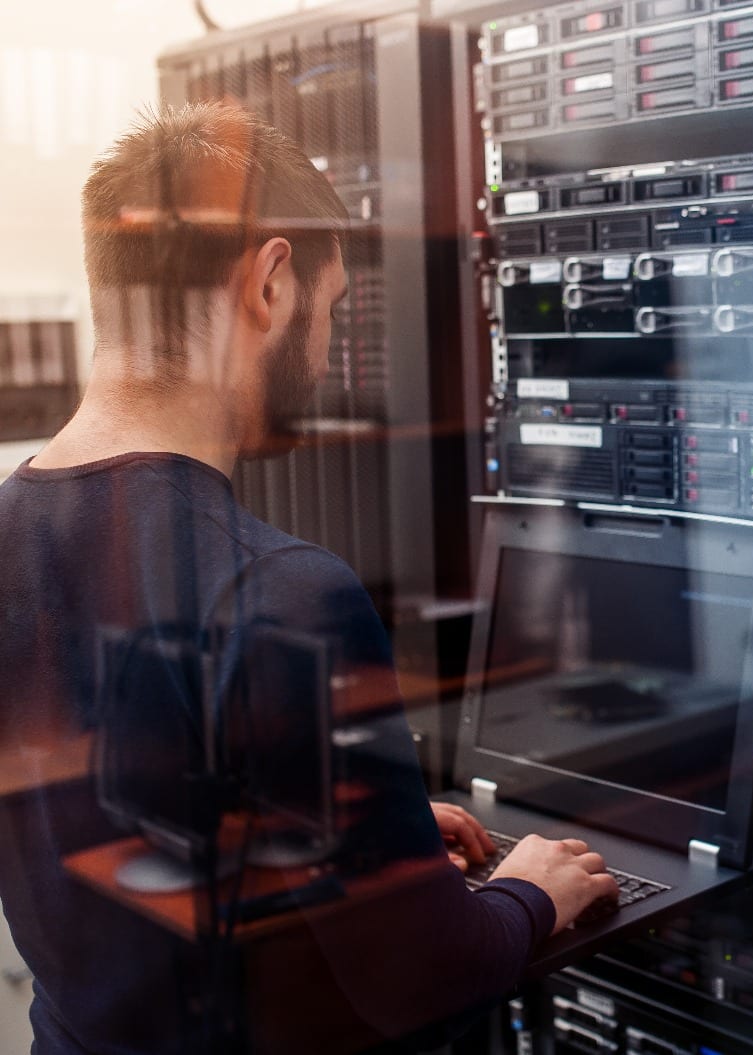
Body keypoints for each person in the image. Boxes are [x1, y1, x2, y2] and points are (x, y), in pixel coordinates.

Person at [0, 102, 618, 1055]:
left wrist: (377, 845)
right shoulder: (285, 592)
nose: (328, 356)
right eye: (331, 309)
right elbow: (420, 978)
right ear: (270, 282)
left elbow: (110, 820)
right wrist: (534, 888)